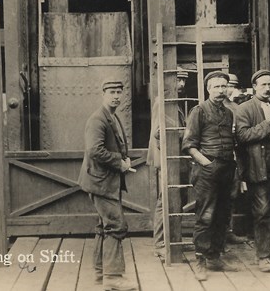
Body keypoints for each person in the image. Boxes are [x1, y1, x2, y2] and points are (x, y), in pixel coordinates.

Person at [78, 80, 137, 291]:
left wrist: (125, 159)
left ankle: (100, 271)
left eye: (119, 92)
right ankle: (113, 278)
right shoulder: (98, 119)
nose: (116, 96)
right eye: (112, 92)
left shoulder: (111, 116)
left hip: (104, 180)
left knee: (105, 225)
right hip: (100, 181)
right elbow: (94, 150)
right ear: (103, 94)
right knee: (115, 225)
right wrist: (119, 162)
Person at [182, 71, 238, 281]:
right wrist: (208, 164)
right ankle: (200, 260)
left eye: (224, 86)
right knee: (205, 216)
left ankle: (214, 257)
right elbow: (189, 144)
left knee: (223, 215)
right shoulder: (199, 111)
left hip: (227, 169)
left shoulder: (229, 112)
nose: (220, 90)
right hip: (207, 170)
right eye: (216, 86)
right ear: (208, 89)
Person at [235, 70, 270, 273]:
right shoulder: (245, 109)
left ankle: (269, 254)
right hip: (258, 167)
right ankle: (263, 257)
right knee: (262, 212)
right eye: (263, 85)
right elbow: (242, 136)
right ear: (255, 87)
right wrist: (266, 125)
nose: (268, 88)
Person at [147, 67, 188, 259]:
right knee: (165, 202)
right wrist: (186, 132)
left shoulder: (173, 102)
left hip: (174, 158)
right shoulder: (161, 102)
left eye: (183, 80)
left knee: (173, 200)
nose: (182, 84)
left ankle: (169, 241)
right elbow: (158, 132)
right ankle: (161, 243)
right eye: (178, 80)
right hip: (167, 159)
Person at [223, 74, 248, 246]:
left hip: (234, 154)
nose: (230, 89)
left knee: (232, 193)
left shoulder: (237, 107)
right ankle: (222, 232)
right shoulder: (216, 106)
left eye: (233, 85)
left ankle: (228, 231)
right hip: (221, 154)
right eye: (228, 85)